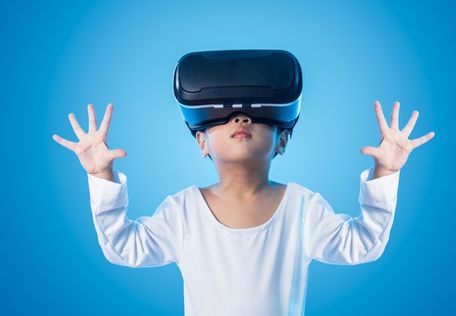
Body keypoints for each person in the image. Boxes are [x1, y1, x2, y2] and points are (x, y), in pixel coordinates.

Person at [52, 100, 435, 316]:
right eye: (225, 115)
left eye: (256, 113)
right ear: (201, 142)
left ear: (282, 141)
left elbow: (364, 243)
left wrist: (386, 169)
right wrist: (102, 173)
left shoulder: (302, 206)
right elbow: (123, 246)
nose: (241, 117)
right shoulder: (184, 210)